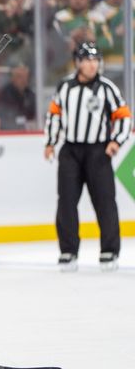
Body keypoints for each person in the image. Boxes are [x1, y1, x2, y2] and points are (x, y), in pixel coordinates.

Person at [44, 42, 131, 273]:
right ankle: (68, 250)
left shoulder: (106, 88)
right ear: (78, 62)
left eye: (96, 60)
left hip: (98, 151)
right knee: (66, 202)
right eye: (88, 60)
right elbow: (54, 115)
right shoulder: (65, 87)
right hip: (71, 151)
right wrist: (51, 142)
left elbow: (123, 115)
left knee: (105, 202)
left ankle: (109, 250)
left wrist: (116, 141)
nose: (93, 65)